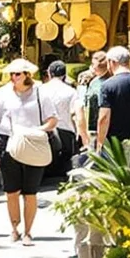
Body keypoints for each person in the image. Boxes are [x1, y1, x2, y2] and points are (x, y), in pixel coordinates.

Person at [0, 58, 57, 243]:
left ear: (27, 75)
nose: (13, 77)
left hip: (33, 142)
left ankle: (28, 231)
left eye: (17, 74)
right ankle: (14, 228)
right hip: (8, 142)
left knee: (30, 191)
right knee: (11, 190)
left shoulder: (41, 91)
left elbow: (52, 119)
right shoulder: (2, 93)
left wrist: (37, 130)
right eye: (11, 74)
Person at [38, 58, 82, 194]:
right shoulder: (71, 92)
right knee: (65, 167)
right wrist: (81, 133)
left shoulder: (40, 90)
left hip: (43, 131)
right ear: (64, 75)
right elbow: (76, 114)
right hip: (66, 131)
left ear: (49, 73)